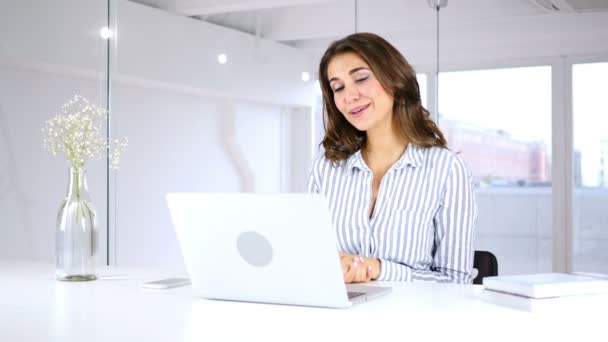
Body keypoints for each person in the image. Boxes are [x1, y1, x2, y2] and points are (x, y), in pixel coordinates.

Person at [308, 32, 477, 283]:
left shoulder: (447, 169)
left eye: (361, 78)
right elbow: (309, 258)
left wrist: (378, 269)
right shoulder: (326, 169)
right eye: (338, 87)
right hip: (339, 314)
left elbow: (456, 280)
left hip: (412, 318)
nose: (349, 96)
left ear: (395, 79)